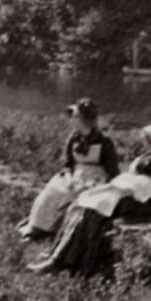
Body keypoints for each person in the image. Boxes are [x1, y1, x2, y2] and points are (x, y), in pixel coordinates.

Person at [27, 121, 151, 275]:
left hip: (141, 200)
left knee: (94, 211)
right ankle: (58, 255)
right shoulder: (149, 155)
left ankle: (66, 262)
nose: (144, 142)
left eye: (148, 139)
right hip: (128, 193)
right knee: (79, 205)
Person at [17, 98, 119, 240]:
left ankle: (58, 231)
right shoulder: (73, 138)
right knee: (52, 192)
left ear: (83, 120)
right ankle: (38, 227)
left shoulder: (104, 141)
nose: (72, 120)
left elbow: (112, 170)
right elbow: (67, 163)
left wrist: (107, 186)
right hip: (74, 175)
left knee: (76, 196)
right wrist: (69, 178)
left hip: (95, 178)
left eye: (75, 117)